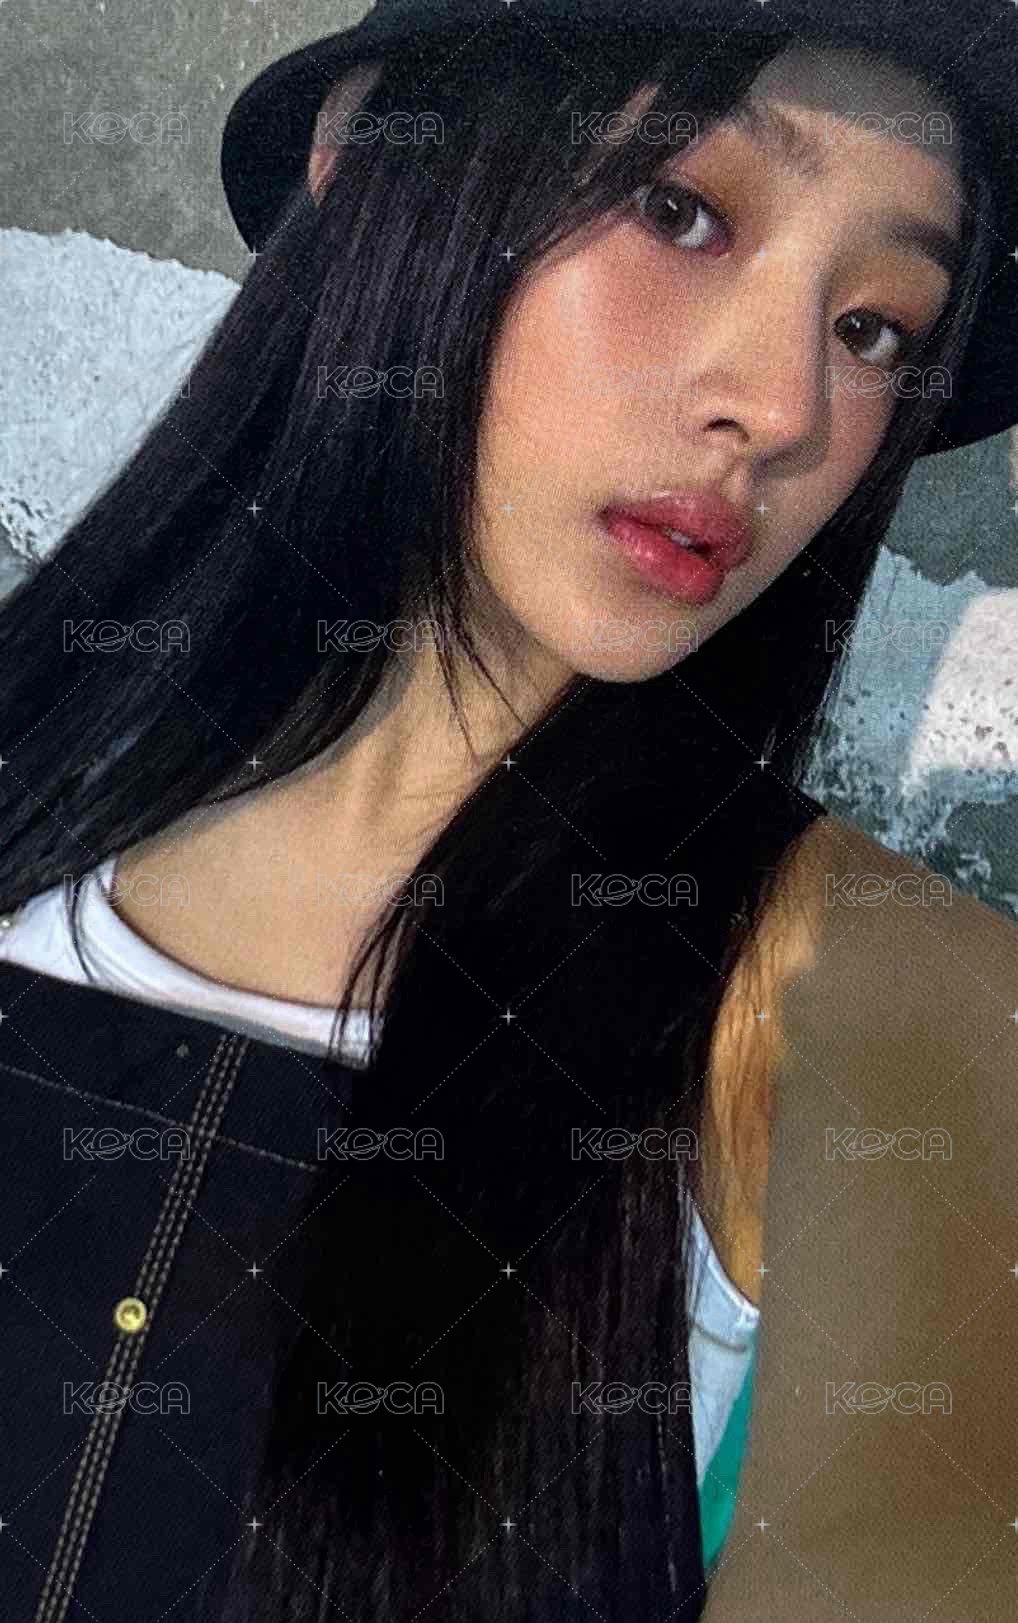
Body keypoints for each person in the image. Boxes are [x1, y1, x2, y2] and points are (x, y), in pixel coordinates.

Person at [0, 3, 1015, 1618]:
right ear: (367, 162)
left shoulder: (884, 1000)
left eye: (875, 328)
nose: (785, 407)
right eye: (679, 210)